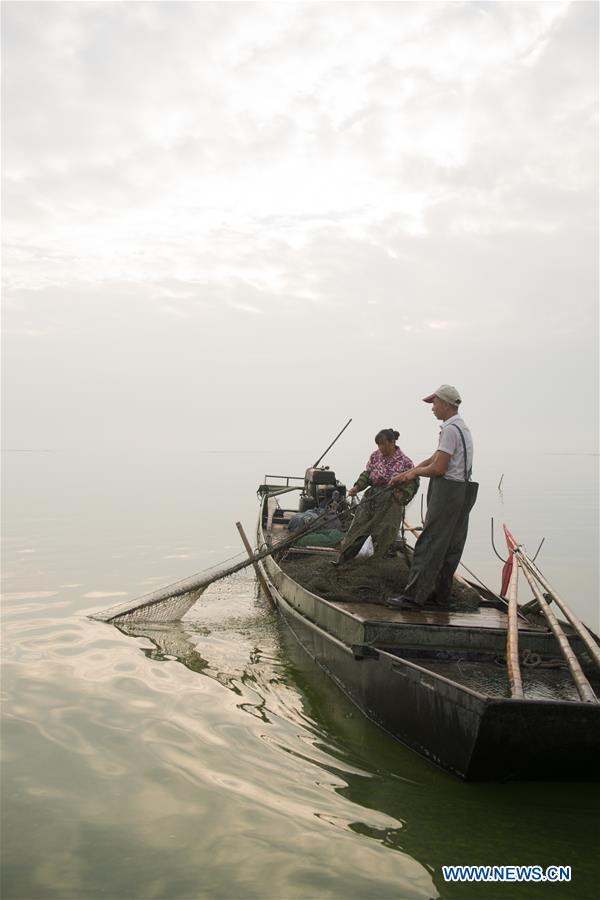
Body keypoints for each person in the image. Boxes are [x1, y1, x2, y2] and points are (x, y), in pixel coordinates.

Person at [386, 385, 477, 609]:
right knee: (450, 546)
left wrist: (415, 473)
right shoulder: (462, 428)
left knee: (429, 543)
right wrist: (406, 474)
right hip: (463, 491)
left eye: (434, 403)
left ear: (446, 404)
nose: (432, 408)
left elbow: (439, 469)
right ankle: (441, 597)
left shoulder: (449, 430)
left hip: (447, 491)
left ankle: (414, 597)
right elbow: (435, 457)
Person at [336, 428, 419, 564]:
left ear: (392, 442)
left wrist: (402, 493)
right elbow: (367, 475)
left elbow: (413, 482)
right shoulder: (375, 456)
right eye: (378, 445)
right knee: (359, 526)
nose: (380, 448)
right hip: (372, 496)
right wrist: (357, 487)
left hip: (391, 500)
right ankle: (344, 558)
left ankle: (377, 562)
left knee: (385, 531)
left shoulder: (405, 462)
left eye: (383, 444)